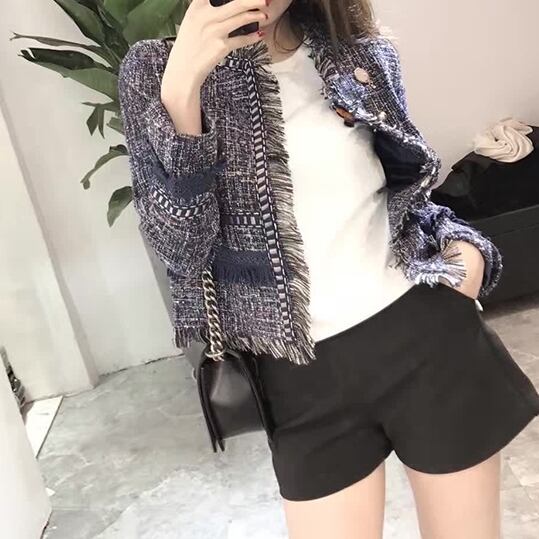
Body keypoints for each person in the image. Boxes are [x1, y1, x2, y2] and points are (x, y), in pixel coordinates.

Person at [118, 1, 539, 537]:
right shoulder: (154, 71)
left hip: (425, 341)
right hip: (299, 378)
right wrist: (182, 93)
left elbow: (406, 195)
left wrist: (465, 249)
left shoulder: (356, 53)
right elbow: (180, 248)